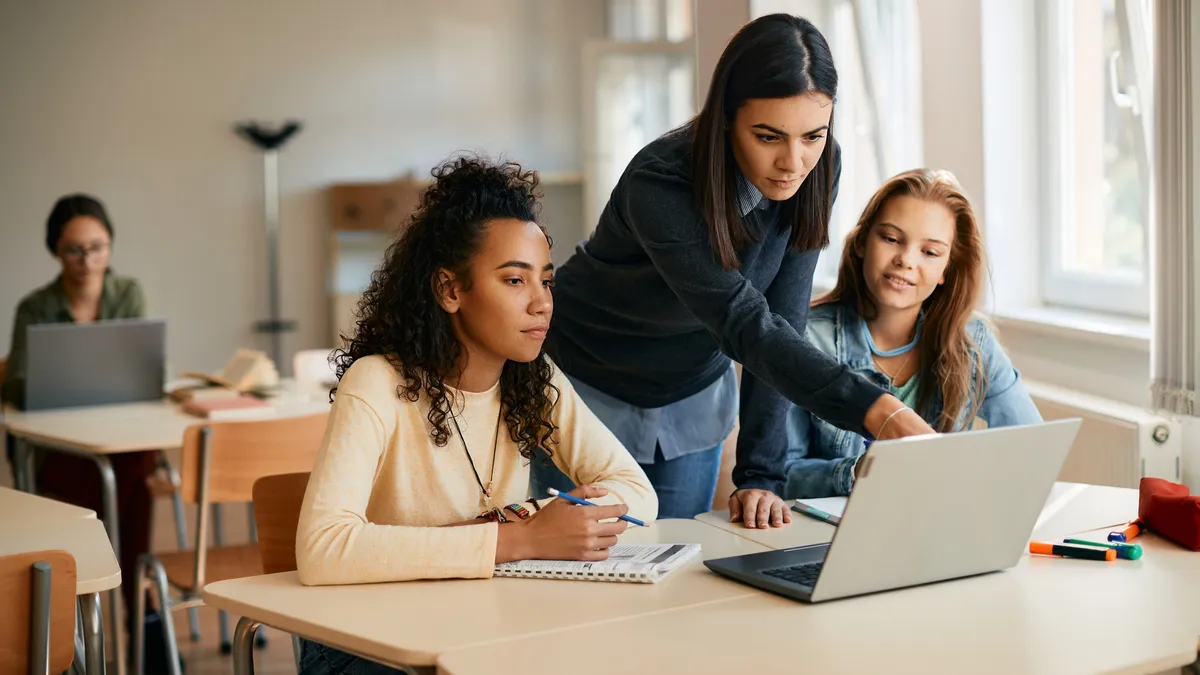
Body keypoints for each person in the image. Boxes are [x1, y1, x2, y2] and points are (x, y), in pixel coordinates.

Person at [531, 13, 935, 527]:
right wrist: (879, 409)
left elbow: (781, 320)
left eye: (813, 134)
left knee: (671, 578)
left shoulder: (818, 166)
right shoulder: (659, 183)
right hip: (585, 384)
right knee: (573, 581)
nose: (794, 161)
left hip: (691, 394)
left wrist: (761, 475)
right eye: (769, 136)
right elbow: (744, 323)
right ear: (726, 119)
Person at [295, 156, 658, 674]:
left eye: (547, 282)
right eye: (514, 281)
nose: (541, 303)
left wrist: (548, 519)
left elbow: (637, 490)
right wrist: (525, 537)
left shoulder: (533, 376)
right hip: (368, 642)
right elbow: (323, 548)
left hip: (481, 627)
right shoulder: (376, 382)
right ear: (450, 290)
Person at [783, 169, 1042, 499]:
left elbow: (1031, 446)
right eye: (891, 239)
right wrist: (859, 471)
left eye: (930, 252)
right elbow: (778, 475)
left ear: (947, 269)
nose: (905, 260)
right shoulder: (803, 338)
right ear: (862, 241)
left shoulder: (972, 340)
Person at [0, 193, 173, 667]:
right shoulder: (35, 306)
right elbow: (13, 383)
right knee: (103, 480)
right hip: (62, 449)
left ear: (110, 246)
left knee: (133, 468)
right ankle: (102, 600)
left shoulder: (128, 292)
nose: (87, 260)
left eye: (98, 247)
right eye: (76, 249)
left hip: (120, 440)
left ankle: (139, 603)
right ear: (56, 251)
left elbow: (147, 368)